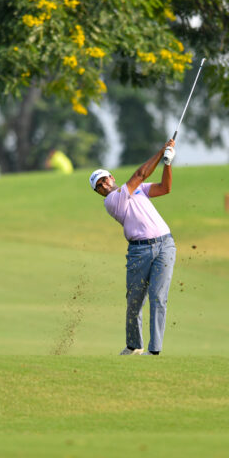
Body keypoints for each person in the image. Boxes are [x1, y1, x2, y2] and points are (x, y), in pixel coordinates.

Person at [89, 140, 177, 356]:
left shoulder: (139, 191)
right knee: (134, 300)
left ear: (112, 177)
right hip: (139, 251)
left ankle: (154, 351)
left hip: (165, 244)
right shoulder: (112, 201)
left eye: (105, 179)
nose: (104, 185)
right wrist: (160, 150)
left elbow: (165, 188)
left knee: (158, 297)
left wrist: (167, 162)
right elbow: (139, 175)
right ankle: (134, 345)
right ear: (99, 192)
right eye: (98, 186)